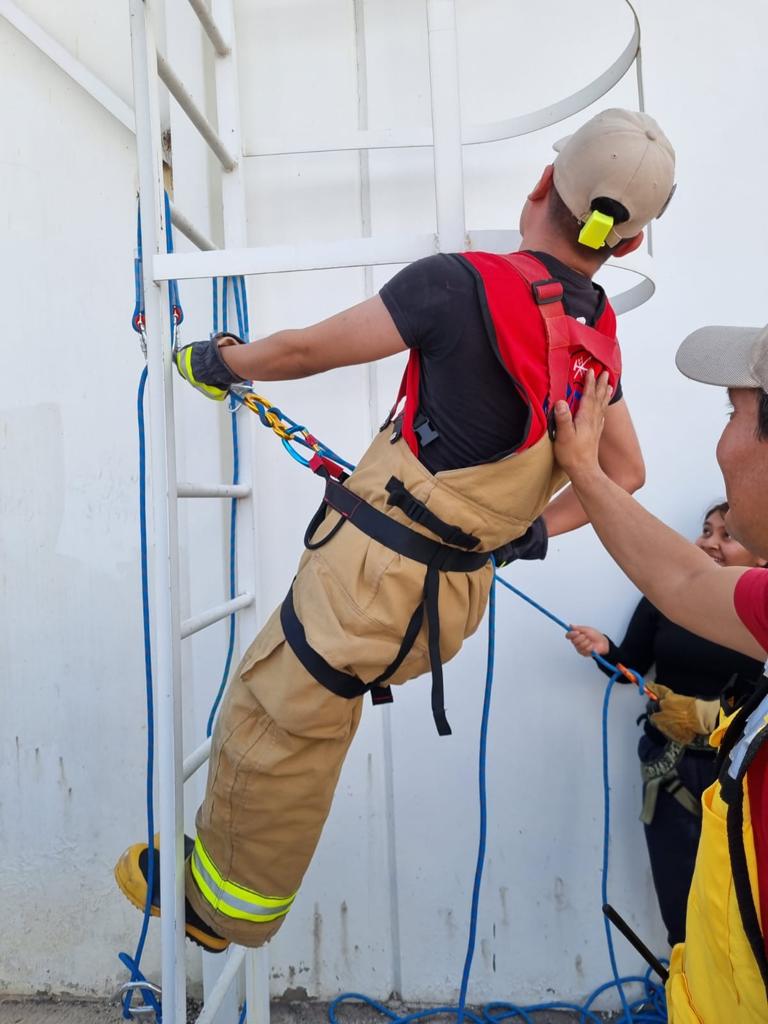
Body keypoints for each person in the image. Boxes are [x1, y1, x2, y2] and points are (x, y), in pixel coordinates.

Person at [115, 109, 676, 954]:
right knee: (305, 710)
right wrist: (527, 533)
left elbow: (309, 351)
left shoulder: (459, 283)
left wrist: (219, 362)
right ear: (625, 246)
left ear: (538, 188)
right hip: (450, 598)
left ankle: (219, 908)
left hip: (373, 582)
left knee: (279, 714)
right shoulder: (596, 341)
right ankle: (227, 866)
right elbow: (624, 473)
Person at [551, 328, 768, 1022]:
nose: (722, 443)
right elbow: (677, 586)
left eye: (733, 414)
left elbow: (682, 579)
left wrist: (589, 474)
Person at [566, 501, 765, 947]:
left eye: (726, 535)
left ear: (760, 554)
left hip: (741, 774)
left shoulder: (760, 611)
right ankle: (683, 1002)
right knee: (679, 894)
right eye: (706, 530)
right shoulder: (664, 599)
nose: (709, 543)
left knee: (741, 897)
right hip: (668, 765)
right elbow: (632, 665)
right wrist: (605, 649)